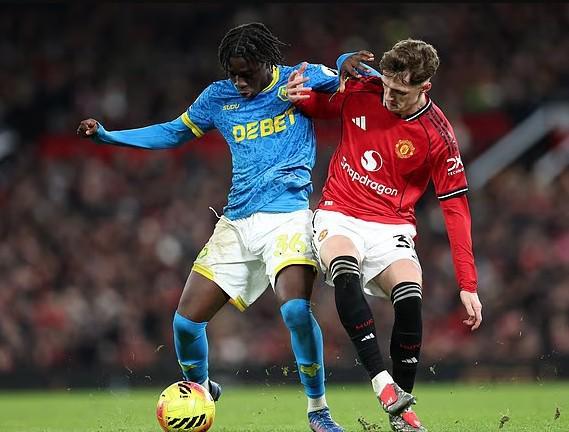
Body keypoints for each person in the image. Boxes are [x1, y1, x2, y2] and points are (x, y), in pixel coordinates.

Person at [76, 22, 363, 432]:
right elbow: (172, 132)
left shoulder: (300, 78)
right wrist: (108, 136)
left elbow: (359, 81)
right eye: (233, 74)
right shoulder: (218, 97)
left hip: (287, 218)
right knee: (185, 324)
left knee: (296, 310)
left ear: (267, 62)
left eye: (247, 73)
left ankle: (318, 410)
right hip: (237, 221)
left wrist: (344, 60)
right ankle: (200, 390)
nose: (239, 82)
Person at [286, 39, 483, 432]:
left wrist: (468, 284)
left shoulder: (438, 135)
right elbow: (318, 104)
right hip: (340, 213)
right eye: (388, 85)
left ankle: (401, 411)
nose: (389, 96)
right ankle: (382, 382)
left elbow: (456, 209)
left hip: (392, 225)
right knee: (344, 270)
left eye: (400, 92)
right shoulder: (364, 88)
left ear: (424, 87)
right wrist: (297, 95)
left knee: (410, 300)